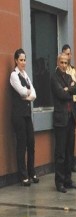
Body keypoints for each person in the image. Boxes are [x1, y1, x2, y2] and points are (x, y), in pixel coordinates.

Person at [51, 53, 76, 193]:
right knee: (60, 153)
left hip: (70, 119)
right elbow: (60, 94)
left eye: (66, 63)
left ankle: (68, 180)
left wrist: (68, 89)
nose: (63, 65)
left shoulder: (68, 77)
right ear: (58, 62)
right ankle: (59, 182)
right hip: (60, 120)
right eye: (61, 62)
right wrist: (69, 89)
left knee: (69, 152)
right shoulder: (54, 77)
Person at [10, 48, 39, 186]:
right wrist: (27, 94)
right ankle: (23, 176)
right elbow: (22, 92)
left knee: (31, 143)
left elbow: (33, 94)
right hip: (18, 115)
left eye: (24, 60)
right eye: (21, 60)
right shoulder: (14, 75)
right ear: (16, 60)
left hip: (27, 114)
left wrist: (27, 95)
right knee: (21, 145)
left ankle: (31, 171)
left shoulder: (25, 75)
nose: (23, 62)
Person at [62, 44, 76, 173]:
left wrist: (71, 87)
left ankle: (72, 163)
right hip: (65, 105)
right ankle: (66, 164)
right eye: (66, 54)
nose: (68, 57)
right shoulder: (61, 70)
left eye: (70, 54)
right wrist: (71, 87)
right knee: (65, 137)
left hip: (74, 103)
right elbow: (68, 87)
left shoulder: (73, 70)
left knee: (72, 136)